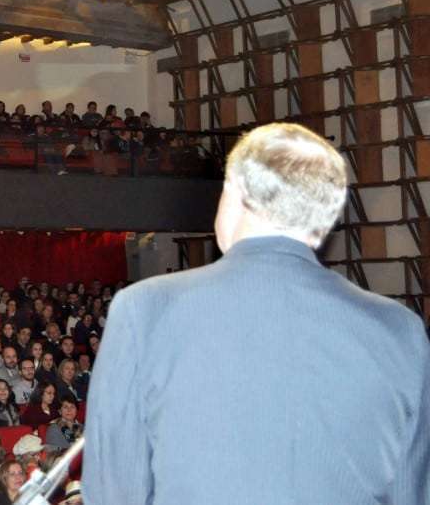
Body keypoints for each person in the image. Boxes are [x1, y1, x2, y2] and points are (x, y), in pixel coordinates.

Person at [84, 123, 430, 505]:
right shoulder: (401, 331)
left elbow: (114, 491)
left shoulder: (143, 312)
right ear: (327, 217)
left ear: (235, 192)